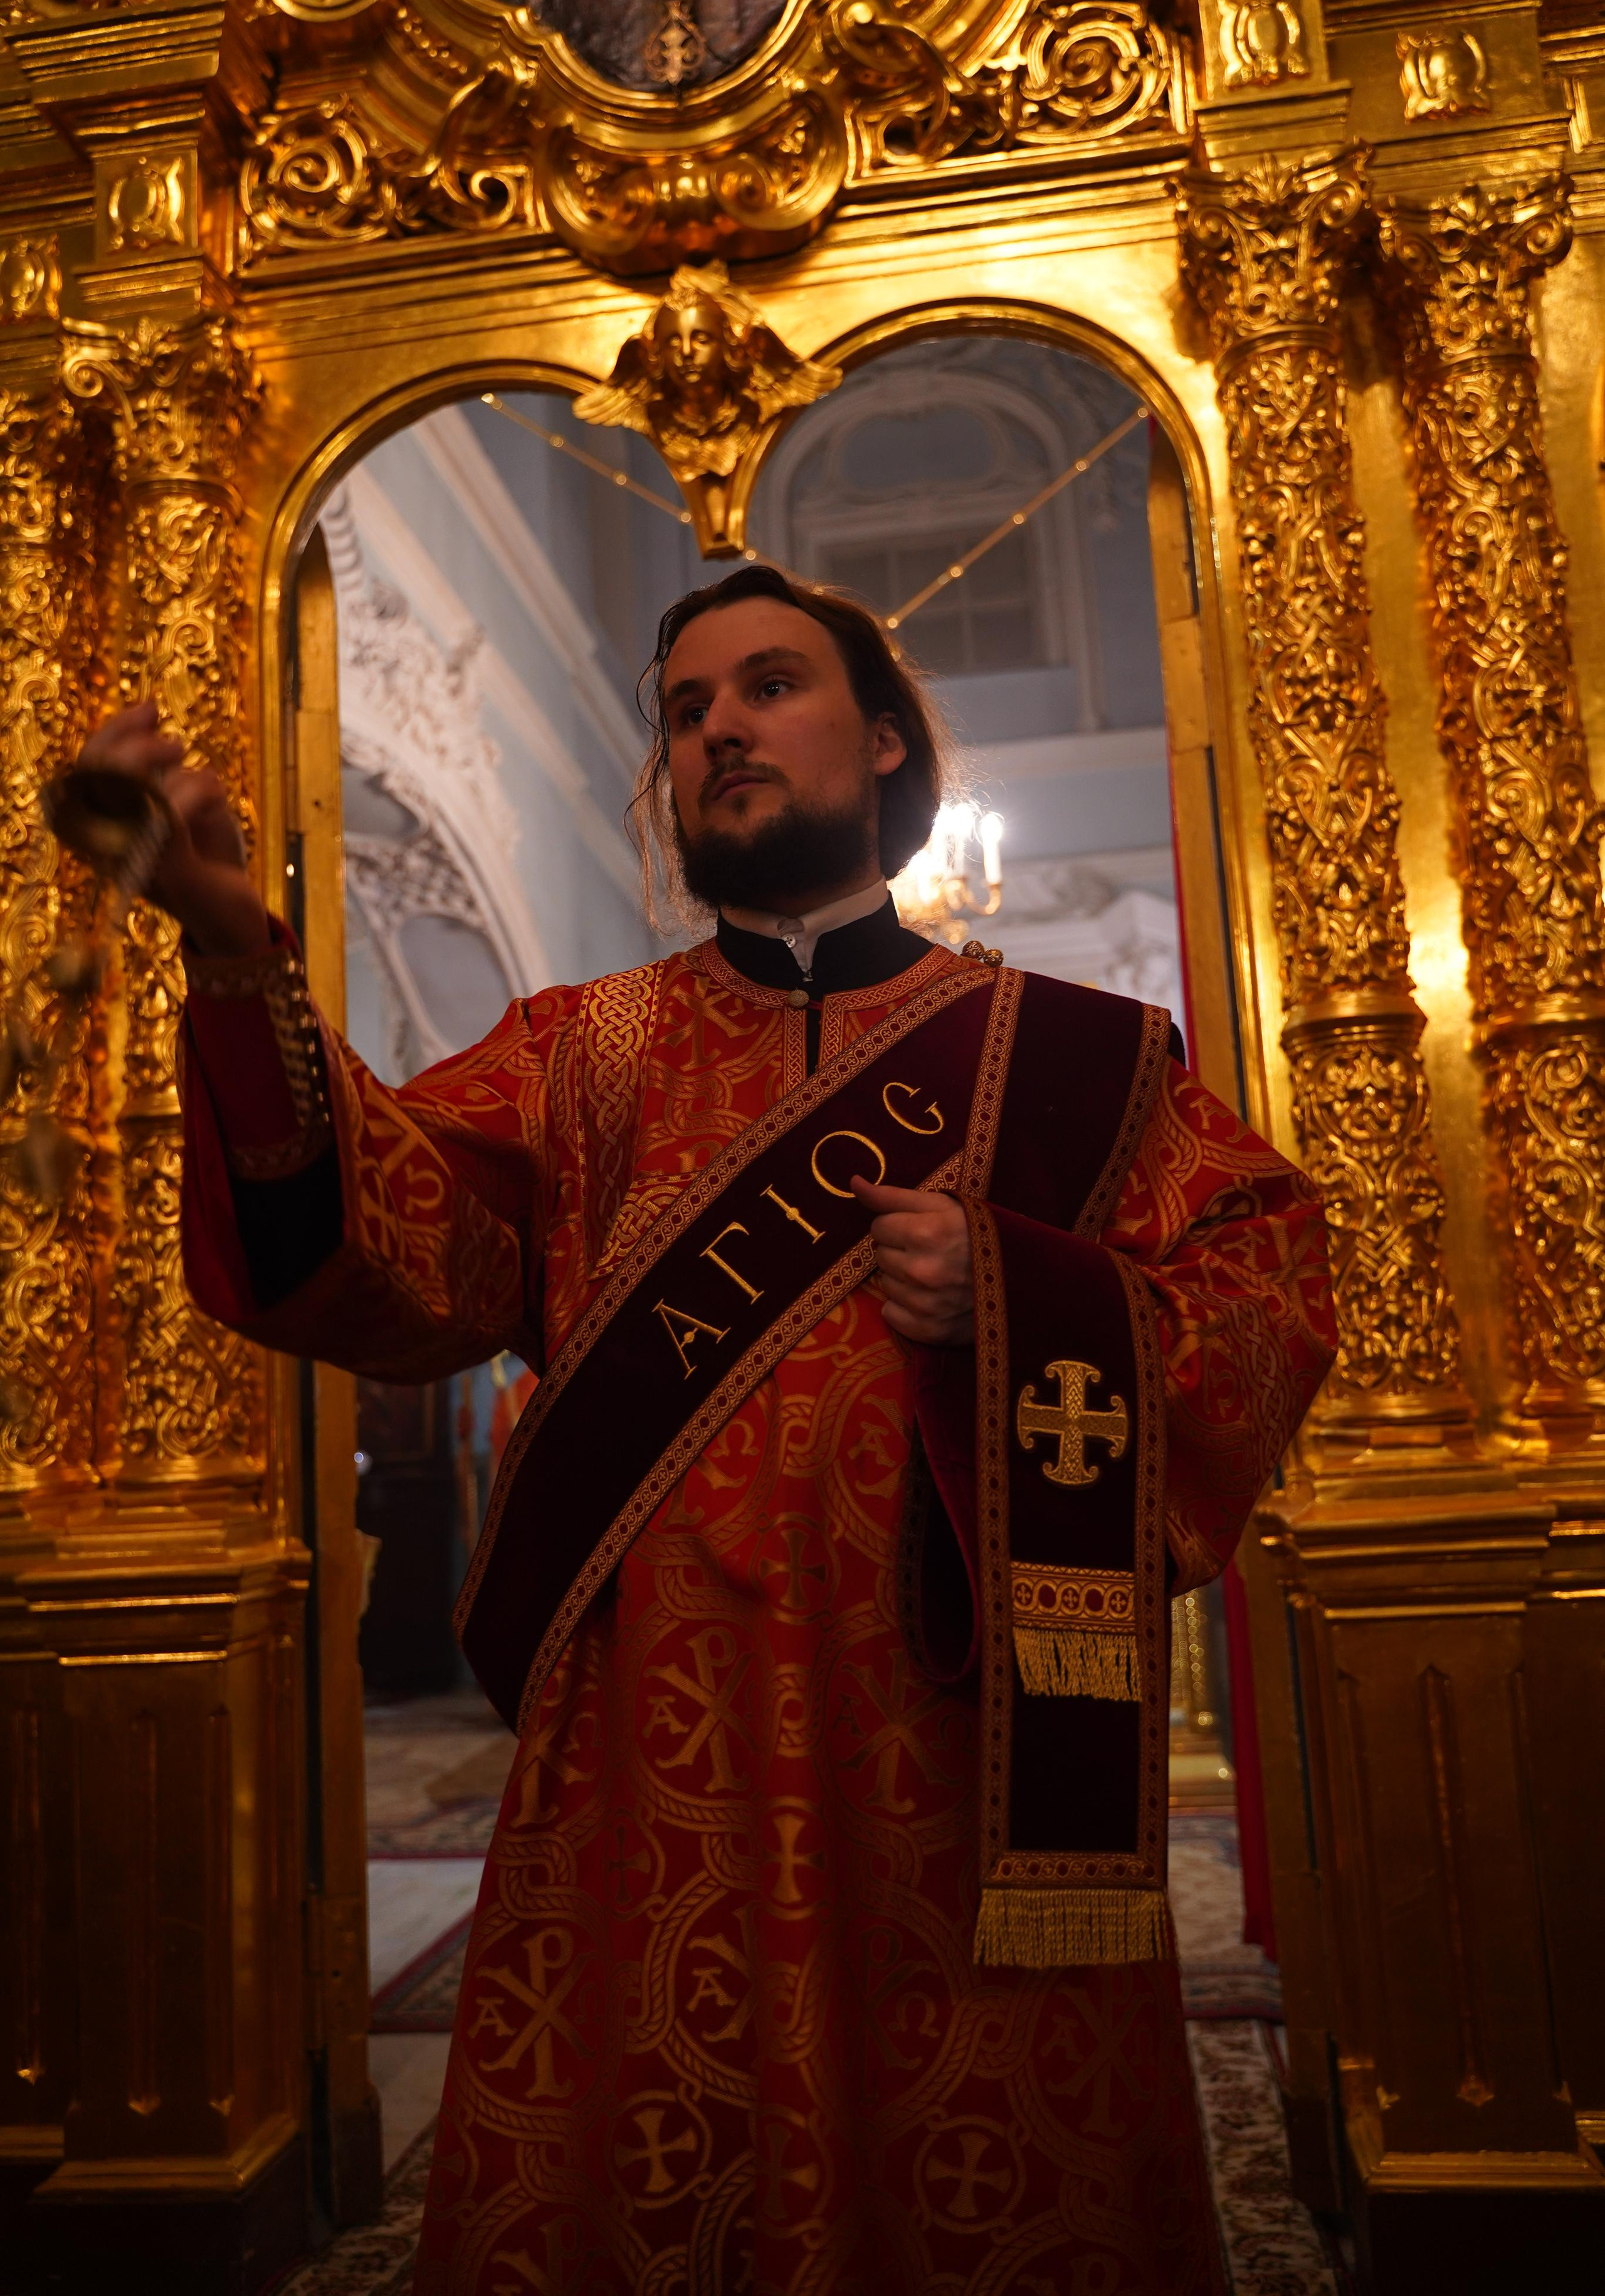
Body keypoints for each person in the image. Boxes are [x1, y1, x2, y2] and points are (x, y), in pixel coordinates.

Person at [80, 564, 1334, 2295]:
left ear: (884, 742)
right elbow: (372, 1242)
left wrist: (1024, 1290)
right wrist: (238, 951)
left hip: (958, 1749)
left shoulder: (1080, 1062)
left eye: (769, 686)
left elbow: (1264, 1287)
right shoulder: (578, 1057)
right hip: (650, 1756)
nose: (721, 729)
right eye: (686, 710)